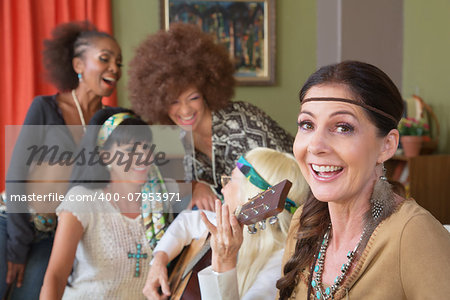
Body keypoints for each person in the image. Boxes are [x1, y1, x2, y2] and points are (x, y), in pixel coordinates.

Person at [276, 61, 450, 299]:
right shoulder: (303, 224)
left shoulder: (412, 233)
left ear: (387, 146)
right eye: (307, 125)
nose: (315, 145)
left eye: (343, 128)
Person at [1, 21, 122, 299]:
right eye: (105, 59)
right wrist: (17, 246)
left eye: (118, 63)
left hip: (54, 237)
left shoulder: (109, 121)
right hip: (11, 222)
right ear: (78, 65)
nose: (114, 68)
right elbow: (17, 174)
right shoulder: (45, 108)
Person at [128, 23, 294, 211]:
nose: (185, 110)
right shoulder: (186, 137)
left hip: (290, 206)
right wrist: (199, 187)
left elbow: (280, 183)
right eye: (174, 102)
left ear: (207, 92)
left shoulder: (240, 123)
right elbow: (196, 181)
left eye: (193, 98)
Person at [41, 107, 174, 299]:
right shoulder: (83, 202)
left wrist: (198, 187)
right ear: (105, 156)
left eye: (146, 147)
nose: (142, 156)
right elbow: (55, 277)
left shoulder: (161, 200)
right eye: (129, 150)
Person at [143, 147, 309, 300]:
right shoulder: (229, 224)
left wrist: (225, 262)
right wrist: (159, 259)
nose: (223, 189)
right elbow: (187, 221)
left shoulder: (279, 264)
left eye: (230, 180)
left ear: (250, 195)